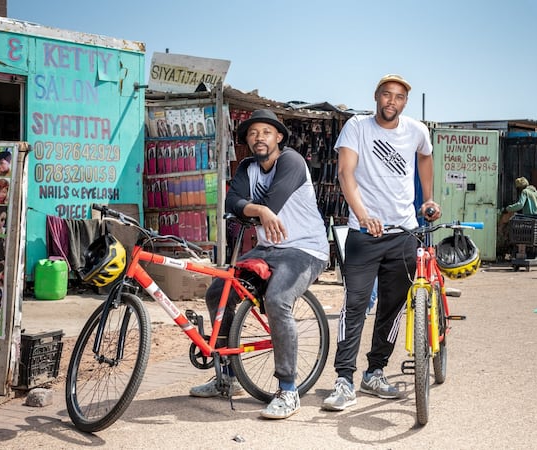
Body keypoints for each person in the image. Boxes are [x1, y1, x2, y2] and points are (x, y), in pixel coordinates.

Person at [188, 109, 329, 420]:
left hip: (305, 249)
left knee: (277, 299)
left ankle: (288, 390)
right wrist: (259, 212)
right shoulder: (247, 167)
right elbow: (231, 203)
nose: (259, 137)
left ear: (278, 137)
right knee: (217, 292)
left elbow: (270, 203)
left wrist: (255, 209)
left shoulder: (291, 161)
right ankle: (227, 376)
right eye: (253, 133)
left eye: (266, 132)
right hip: (268, 249)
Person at [321, 74, 440, 412]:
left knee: (392, 307)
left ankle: (375, 371)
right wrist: (362, 214)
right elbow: (346, 173)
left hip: (403, 234)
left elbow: (425, 157)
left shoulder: (417, 131)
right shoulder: (357, 127)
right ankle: (344, 379)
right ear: (376, 97)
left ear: (405, 102)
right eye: (386, 95)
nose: (392, 101)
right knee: (355, 305)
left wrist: (427, 199)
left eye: (399, 97)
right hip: (364, 234)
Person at [502, 176, 537, 265]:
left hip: (531, 217)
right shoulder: (535, 191)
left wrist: (507, 209)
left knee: (521, 234)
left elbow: (520, 205)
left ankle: (520, 254)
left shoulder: (525, 192)